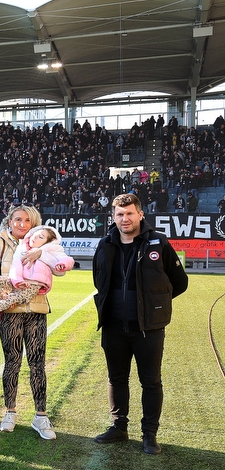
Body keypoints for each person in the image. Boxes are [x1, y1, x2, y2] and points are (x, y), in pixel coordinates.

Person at [92, 193, 188, 455]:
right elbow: (98, 280)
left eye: (130, 213)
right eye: (120, 214)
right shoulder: (105, 244)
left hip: (148, 328)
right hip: (113, 326)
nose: (125, 219)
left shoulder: (158, 243)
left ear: (140, 214)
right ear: (113, 217)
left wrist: (154, 305)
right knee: (117, 378)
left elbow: (179, 283)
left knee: (151, 381)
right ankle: (119, 428)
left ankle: (149, 434)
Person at [0, 207, 64, 438]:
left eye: (27, 220)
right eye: (17, 219)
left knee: (38, 363)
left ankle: (41, 417)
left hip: (37, 311)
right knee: (12, 362)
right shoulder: (0, 243)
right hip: (10, 312)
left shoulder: (45, 244)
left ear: (34, 223)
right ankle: (10, 412)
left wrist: (41, 255)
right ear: (10, 221)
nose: (22, 224)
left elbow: (61, 270)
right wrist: (0, 287)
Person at [0, 225, 73, 348]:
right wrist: (18, 281)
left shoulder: (52, 250)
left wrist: (61, 264)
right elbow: (15, 267)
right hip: (21, 284)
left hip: (33, 287)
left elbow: (66, 260)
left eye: (41, 237)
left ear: (47, 242)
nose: (35, 237)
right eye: (35, 234)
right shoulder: (22, 248)